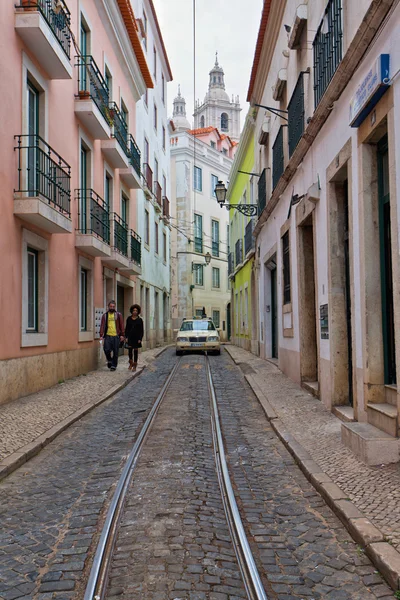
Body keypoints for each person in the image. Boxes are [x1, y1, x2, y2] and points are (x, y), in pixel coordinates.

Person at [100, 300, 125, 371]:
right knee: (106, 349)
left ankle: (114, 365)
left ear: (115, 307)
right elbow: (102, 325)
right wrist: (101, 335)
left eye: (113, 306)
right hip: (107, 335)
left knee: (115, 351)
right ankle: (110, 360)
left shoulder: (118, 315)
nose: (112, 308)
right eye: (111, 306)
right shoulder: (105, 316)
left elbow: (121, 325)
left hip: (116, 335)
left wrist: (122, 335)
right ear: (108, 307)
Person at [125, 304, 144, 371]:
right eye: (134, 310)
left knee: (135, 351)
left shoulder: (140, 320)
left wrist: (140, 338)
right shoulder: (129, 319)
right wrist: (126, 337)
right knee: (130, 351)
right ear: (132, 311)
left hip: (136, 338)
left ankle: (135, 365)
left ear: (138, 311)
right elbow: (126, 328)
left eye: (136, 310)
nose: (135, 312)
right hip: (130, 337)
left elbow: (141, 330)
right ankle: (131, 363)